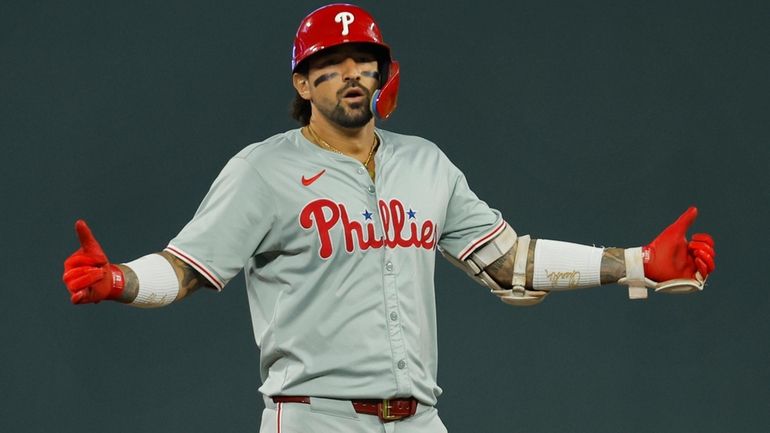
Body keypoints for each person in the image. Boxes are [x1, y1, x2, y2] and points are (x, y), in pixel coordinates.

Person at [62, 4, 716, 432]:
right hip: (313, 417)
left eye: (363, 61)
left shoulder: (427, 164)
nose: (352, 73)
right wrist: (119, 278)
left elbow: (509, 261)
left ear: (382, 74)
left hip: (420, 418)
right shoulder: (262, 171)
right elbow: (187, 268)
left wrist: (635, 263)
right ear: (302, 83)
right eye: (331, 64)